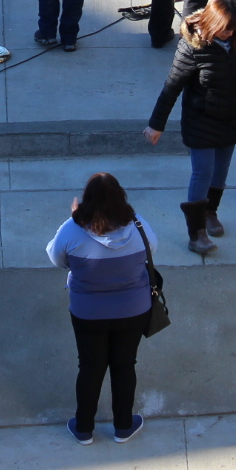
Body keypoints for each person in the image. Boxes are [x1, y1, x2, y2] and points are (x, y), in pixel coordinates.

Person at [45, 172, 155, 446]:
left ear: (86, 200)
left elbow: (56, 258)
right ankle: (123, 426)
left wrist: (74, 218)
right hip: (133, 310)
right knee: (124, 365)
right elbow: (151, 252)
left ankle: (83, 428)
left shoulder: (71, 228)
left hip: (88, 312)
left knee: (90, 367)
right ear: (120, 197)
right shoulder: (139, 225)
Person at [144, 0, 236, 254]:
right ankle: (196, 234)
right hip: (201, 121)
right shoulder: (192, 47)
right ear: (211, 23)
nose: (230, 34)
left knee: (221, 172)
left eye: (233, 29)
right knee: (202, 172)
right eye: (225, 29)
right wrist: (156, 125)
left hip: (232, 117)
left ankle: (210, 212)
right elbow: (172, 87)